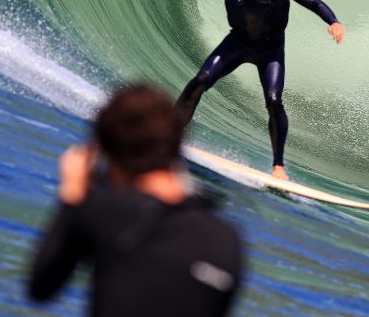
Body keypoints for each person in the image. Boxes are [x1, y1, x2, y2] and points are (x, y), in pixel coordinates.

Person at [28, 83, 243, 317]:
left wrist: (73, 195)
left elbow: (40, 288)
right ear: (176, 146)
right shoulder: (227, 240)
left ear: (113, 156)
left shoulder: (109, 213)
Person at [167, 0, 344, 180]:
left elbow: (313, 2)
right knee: (201, 79)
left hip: (270, 52)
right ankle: (170, 136)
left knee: (273, 100)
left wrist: (333, 21)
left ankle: (278, 167)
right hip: (238, 43)